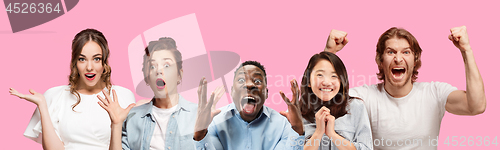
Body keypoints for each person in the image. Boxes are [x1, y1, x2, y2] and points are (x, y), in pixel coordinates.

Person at [324, 26, 486, 149]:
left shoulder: (435, 93)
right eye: (391, 52)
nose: (398, 58)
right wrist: (329, 52)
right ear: (380, 60)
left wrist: (466, 51)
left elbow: (476, 106)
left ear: (415, 59)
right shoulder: (366, 97)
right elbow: (321, 103)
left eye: (406, 52)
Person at [9, 29, 136, 150]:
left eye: (96, 59)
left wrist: (116, 124)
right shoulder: (55, 95)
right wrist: (42, 105)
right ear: (75, 62)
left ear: (104, 62)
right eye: (82, 59)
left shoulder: (123, 96)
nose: (89, 67)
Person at [97, 37, 225, 150]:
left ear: (179, 74)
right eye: (152, 66)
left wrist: (200, 134)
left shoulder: (200, 115)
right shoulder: (132, 118)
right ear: (147, 78)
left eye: (167, 65)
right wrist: (116, 124)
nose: (159, 70)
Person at [192, 60, 306, 150]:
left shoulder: (282, 125)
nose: (249, 85)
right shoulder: (215, 122)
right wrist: (200, 133)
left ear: (266, 93)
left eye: (257, 81)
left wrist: (297, 130)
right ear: (232, 91)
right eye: (241, 80)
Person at [298, 52, 372, 150]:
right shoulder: (296, 112)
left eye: (334, 76)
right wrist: (318, 132)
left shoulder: (356, 107)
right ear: (308, 81)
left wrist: (332, 134)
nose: (327, 82)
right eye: (320, 75)